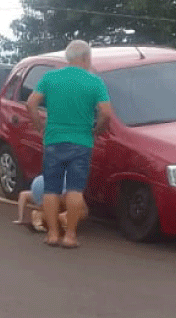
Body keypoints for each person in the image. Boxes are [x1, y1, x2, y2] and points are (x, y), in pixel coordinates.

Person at [26, 40, 113, 249]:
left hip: (54, 140)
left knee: (51, 189)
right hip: (81, 142)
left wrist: (39, 126)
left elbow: (31, 103)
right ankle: (71, 236)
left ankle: (53, 234)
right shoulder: (95, 82)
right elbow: (106, 113)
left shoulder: (50, 77)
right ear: (85, 58)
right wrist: (97, 131)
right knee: (75, 189)